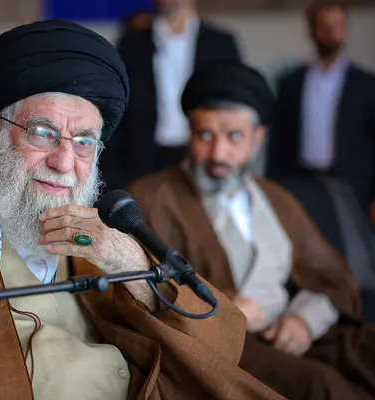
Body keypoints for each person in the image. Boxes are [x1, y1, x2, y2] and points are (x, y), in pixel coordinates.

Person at [0, 20, 283, 400]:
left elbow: (219, 341)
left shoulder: (95, 239)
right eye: (43, 133)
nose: (64, 162)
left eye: (85, 142)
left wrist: (129, 262)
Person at [129, 59, 375, 400]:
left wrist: (304, 320)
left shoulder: (276, 198)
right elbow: (142, 294)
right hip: (227, 346)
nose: (218, 153)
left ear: (257, 138)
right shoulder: (151, 198)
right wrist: (226, 310)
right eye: (205, 135)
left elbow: (331, 278)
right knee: (320, 385)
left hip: (294, 328)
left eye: (234, 136)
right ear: (189, 134)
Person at [100, 0, 242, 191]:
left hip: (205, 153)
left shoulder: (221, 43)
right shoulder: (132, 44)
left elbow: (234, 107)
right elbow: (117, 106)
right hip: (145, 159)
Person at [267, 1, 375, 217]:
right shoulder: (291, 83)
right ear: (312, 30)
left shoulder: (366, 84)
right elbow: (278, 142)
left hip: (353, 186)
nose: (331, 32)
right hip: (300, 183)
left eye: (337, 25)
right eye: (324, 25)